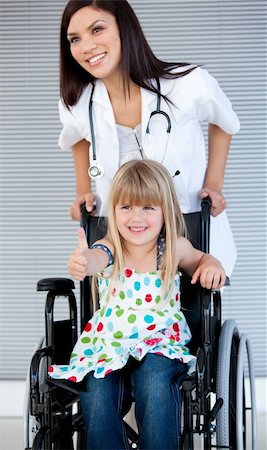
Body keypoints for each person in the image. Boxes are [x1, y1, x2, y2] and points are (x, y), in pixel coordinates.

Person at [49, 159, 226, 450]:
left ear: (164, 210)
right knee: (97, 391)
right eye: (126, 207)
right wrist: (83, 262)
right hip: (110, 345)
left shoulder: (173, 248)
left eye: (148, 207)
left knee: (155, 383)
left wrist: (212, 265)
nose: (136, 217)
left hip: (159, 342)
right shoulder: (110, 247)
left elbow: (201, 260)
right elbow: (95, 258)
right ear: (114, 211)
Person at [58, 0, 240, 277]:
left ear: (124, 28)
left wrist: (213, 184)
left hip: (189, 228)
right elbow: (76, 137)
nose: (85, 47)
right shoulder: (79, 103)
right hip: (122, 240)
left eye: (97, 29)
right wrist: (83, 189)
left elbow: (224, 122)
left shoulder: (187, 84)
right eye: (75, 39)